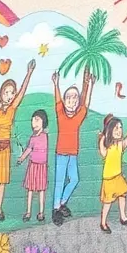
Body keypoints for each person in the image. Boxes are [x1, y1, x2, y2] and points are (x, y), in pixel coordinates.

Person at [0, 60, 35, 221]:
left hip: (5, 148)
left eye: (12, 92)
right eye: (6, 92)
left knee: (2, 181)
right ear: (1, 93)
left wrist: (29, 73)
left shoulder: (12, 109)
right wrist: (0, 140)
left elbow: (22, 93)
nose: (10, 96)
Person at [51, 69, 93, 226]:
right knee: (60, 181)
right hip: (61, 153)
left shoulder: (78, 116)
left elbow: (86, 103)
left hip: (73, 154)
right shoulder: (60, 114)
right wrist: (56, 83)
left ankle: (61, 202)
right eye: (69, 97)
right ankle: (56, 209)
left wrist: (90, 86)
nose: (72, 100)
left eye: (75, 98)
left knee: (74, 179)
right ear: (64, 100)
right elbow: (57, 100)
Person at [97, 111, 127, 233]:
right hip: (109, 178)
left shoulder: (120, 145)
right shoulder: (109, 146)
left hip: (118, 176)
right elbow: (103, 153)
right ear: (110, 130)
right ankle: (103, 223)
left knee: (122, 196)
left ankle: (123, 217)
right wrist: (102, 139)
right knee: (108, 202)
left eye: (120, 128)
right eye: (116, 128)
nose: (119, 130)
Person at [18, 109, 50, 222]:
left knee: (41, 190)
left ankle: (41, 212)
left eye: (37, 120)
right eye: (32, 121)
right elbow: (28, 149)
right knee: (30, 190)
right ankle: (28, 212)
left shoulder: (46, 136)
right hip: (33, 166)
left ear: (43, 122)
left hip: (42, 167)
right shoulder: (32, 138)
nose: (34, 123)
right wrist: (22, 158)